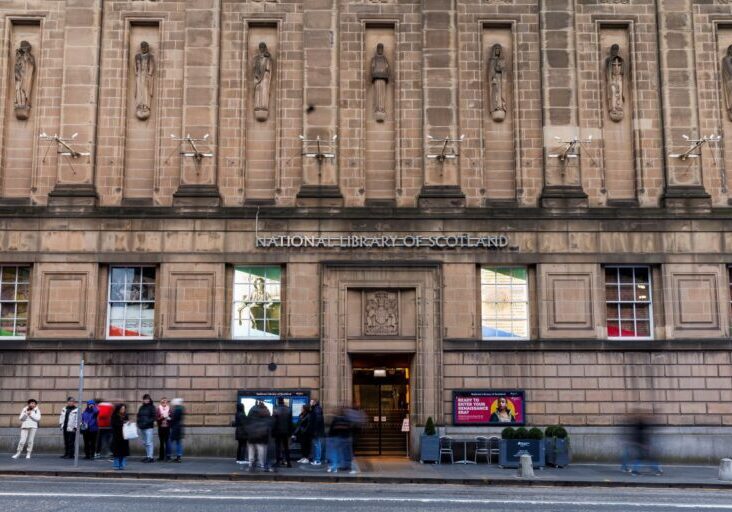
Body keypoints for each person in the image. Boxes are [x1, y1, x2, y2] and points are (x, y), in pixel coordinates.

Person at [246, 400, 273, 472]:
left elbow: (247, 421)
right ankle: (261, 464)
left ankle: (251, 464)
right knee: (261, 450)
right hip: (261, 435)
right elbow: (269, 423)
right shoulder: (266, 411)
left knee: (251, 450)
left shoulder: (252, 410)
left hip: (251, 434)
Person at [326, 408, 353, 473]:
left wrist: (330, 436)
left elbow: (332, 430)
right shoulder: (347, 420)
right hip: (346, 438)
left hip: (337, 438)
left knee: (335, 453)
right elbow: (349, 429)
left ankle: (335, 466)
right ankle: (346, 466)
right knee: (345, 453)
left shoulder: (336, 419)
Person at [273, 397, 292, 467]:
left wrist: (273, 432)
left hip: (277, 431)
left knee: (277, 447)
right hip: (286, 431)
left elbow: (274, 422)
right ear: (283, 401)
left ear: (278, 401)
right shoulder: (288, 409)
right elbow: (290, 422)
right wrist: (290, 432)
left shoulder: (275, 409)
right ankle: (288, 462)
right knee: (286, 447)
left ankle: (278, 462)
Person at [137, 394, 156, 463]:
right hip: (142, 427)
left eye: (147, 399)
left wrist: (147, 422)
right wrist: (138, 423)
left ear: (149, 399)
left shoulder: (152, 407)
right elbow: (138, 416)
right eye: (145, 399)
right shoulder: (141, 407)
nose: (146, 400)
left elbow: (154, 417)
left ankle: (151, 457)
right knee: (145, 442)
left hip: (149, 427)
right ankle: (148, 456)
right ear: (143, 400)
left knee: (149, 442)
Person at [110, 403, 130, 470]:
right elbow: (114, 424)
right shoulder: (114, 416)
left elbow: (127, 424)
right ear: (118, 409)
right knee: (117, 452)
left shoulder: (126, 415)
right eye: (122, 409)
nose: (123, 410)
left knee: (123, 452)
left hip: (125, 436)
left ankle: (122, 465)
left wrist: (128, 423)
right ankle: (116, 465)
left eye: (124, 409)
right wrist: (123, 423)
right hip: (117, 436)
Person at [169, 398, 185, 463]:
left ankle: (173, 455)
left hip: (176, 428)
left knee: (171, 442)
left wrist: (169, 418)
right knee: (178, 442)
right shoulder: (180, 408)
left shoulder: (177, 409)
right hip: (179, 428)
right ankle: (178, 457)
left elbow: (174, 419)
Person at [310, 399, 325, 466]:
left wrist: (315, 431)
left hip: (316, 431)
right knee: (317, 445)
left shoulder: (316, 409)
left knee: (317, 445)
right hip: (316, 431)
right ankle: (316, 459)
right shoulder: (316, 409)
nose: (310, 402)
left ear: (314, 402)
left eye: (311, 401)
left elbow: (317, 421)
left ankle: (317, 460)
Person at [156, 397, 172, 462]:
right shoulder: (158, 409)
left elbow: (172, 418)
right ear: (161, 402)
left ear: (167, 402)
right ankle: (161, 457)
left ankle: (168, 456)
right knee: (161, 443)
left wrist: (168, 417)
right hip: (161, 428)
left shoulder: (169, 409)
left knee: (167, 442)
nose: (164, 403)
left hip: (167, 428)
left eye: (165, 402)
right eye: (162, 402)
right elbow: (156, 418)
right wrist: (161, 417)